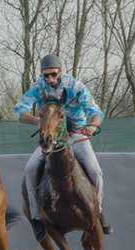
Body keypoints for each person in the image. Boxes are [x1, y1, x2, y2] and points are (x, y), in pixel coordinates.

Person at [14, 53, 110, 240]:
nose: (50, 79)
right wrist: (41, 121)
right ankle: (36, 217)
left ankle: (98, 212)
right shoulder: (37, 88)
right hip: (51, 136)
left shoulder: (75, 86)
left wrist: (92, 126)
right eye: (46, 75)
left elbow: (95, 112)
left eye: (53, 74)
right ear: (41, 75)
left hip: (76, 134)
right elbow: (19, 111)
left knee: (95, 171)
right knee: (30, 169)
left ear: (60, 72)